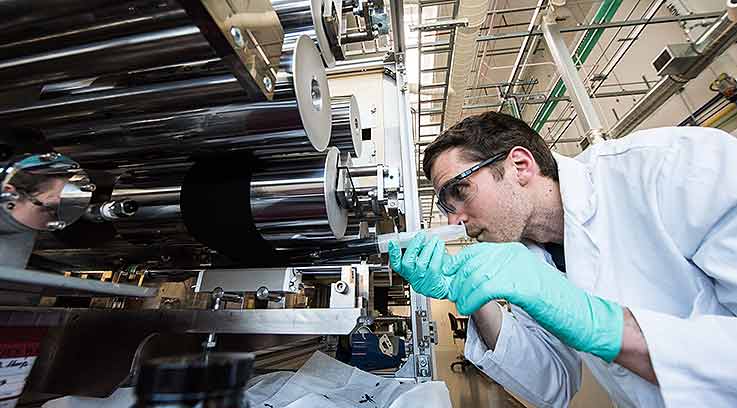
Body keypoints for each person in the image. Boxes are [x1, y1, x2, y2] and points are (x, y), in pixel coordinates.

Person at [388, 111, 737, 407]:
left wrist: (603, 326)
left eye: (459, 191)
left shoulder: (676, 167)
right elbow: (551, 386)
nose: (454, 221)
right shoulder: (528, 255)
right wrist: (473, 296)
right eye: (445, 207)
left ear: (520, 166)